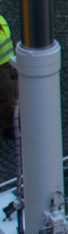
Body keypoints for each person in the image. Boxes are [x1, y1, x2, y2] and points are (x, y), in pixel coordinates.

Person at [0, 7, 15, 140]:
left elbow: (9, 38)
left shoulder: (1, 19)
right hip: (1, 68)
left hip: (10, 62)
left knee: (14, 93)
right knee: (7, 98)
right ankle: (9, 127)